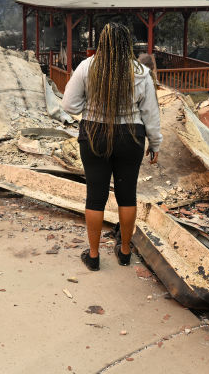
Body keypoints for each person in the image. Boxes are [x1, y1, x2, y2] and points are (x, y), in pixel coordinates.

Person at [61, 23, 162, 271]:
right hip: (131, 137)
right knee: (127, 196)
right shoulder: (140, 71)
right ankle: (125, 252)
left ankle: (94, 256)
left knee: (95, 197)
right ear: (128, 43)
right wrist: (155, 142)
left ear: (101, 42)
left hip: (95, 135)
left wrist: (91, 106)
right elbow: (150, 112)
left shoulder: (87, 67)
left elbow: (69, 106)